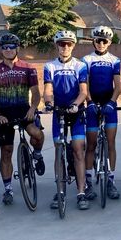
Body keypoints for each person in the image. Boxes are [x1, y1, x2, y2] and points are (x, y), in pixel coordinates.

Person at [0, 33, 45, 206]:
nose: (8, 50)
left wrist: (33, 109)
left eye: (11, 47)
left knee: (37, 135)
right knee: (7, 151)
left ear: (17, 48)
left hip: (24, 110)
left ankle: (38, 154)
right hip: (4, 114)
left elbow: (35, 93)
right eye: (4, 47)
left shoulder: (28, 68)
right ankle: (8, 189)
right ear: (1, 50)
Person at [43, 30, 89, 211]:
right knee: (59, 151)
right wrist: (48, 102)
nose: (65, 47)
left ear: (73, 45)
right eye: (62, 44)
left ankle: (81, 192)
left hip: (76, 111)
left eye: (69, 44)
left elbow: (84, 91)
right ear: (57, 46)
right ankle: (60, 190)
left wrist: (77, 104)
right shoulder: (49, 66)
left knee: (78, 150)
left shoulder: (80, 65)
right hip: (59, 111)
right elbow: (48, 89)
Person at [82, 25, 121, 201]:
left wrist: (113, 103)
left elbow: (118, 86)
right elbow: (84, 84)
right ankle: (88, 181)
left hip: (109, 104)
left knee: (111, 142)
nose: (100, 43)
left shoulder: (115, 60)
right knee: (90, 144)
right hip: (92, 103)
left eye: (104, 41)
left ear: (109, 43)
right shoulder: (85, 59)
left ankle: (111, 180)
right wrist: (89, 101)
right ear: (93, 41)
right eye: (97, 40)